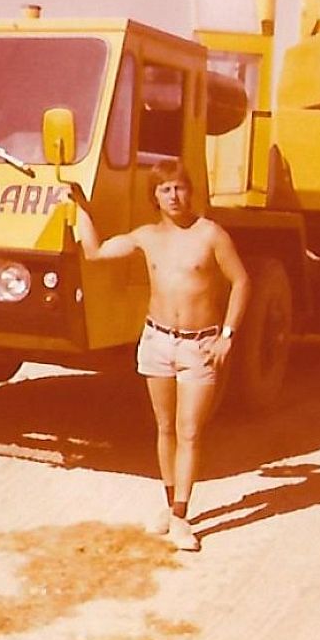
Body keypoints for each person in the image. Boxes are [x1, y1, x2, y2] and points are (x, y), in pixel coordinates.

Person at [70, 159, 250, 551]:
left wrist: (228, 336)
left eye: (179, 188)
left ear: (190, 191)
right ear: (155, 197)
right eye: (165, 189)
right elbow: (96, 252)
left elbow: (241, 282)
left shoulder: (211, 234)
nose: (173, 196)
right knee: (165, 427)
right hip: (157, 341)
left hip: (199, 345)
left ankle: (182, 518)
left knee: (190, 431)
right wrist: (80, 205)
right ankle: (171, 507)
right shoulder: (147, 236)